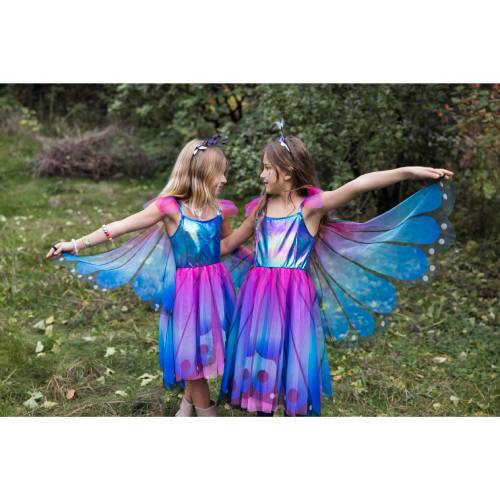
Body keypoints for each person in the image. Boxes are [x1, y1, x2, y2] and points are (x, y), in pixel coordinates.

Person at [219, 121, 455, 416]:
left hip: (292, 295)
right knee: (261, 350)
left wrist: (409, 172)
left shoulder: (311, 207)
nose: (261, 174)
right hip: (258, 295)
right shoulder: (261, 208)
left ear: (288, 172)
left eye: (267, 168)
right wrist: (190, 247)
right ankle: (262, 409)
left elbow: (357, 185)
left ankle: (288, 406)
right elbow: (229, 245)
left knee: (291, 351)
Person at [46, 135, 237, 417]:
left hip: (214, 288)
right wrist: (74, 244)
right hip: (187, 292)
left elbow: (226, 246)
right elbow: (120, 226)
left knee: (203, 348)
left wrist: (265, 249)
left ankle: (186, 406)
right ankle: (207, 414)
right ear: (202, 172)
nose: (224, 179)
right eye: (220, 172)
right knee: (192, 354)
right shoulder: (170, 207)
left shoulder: (219, 209)